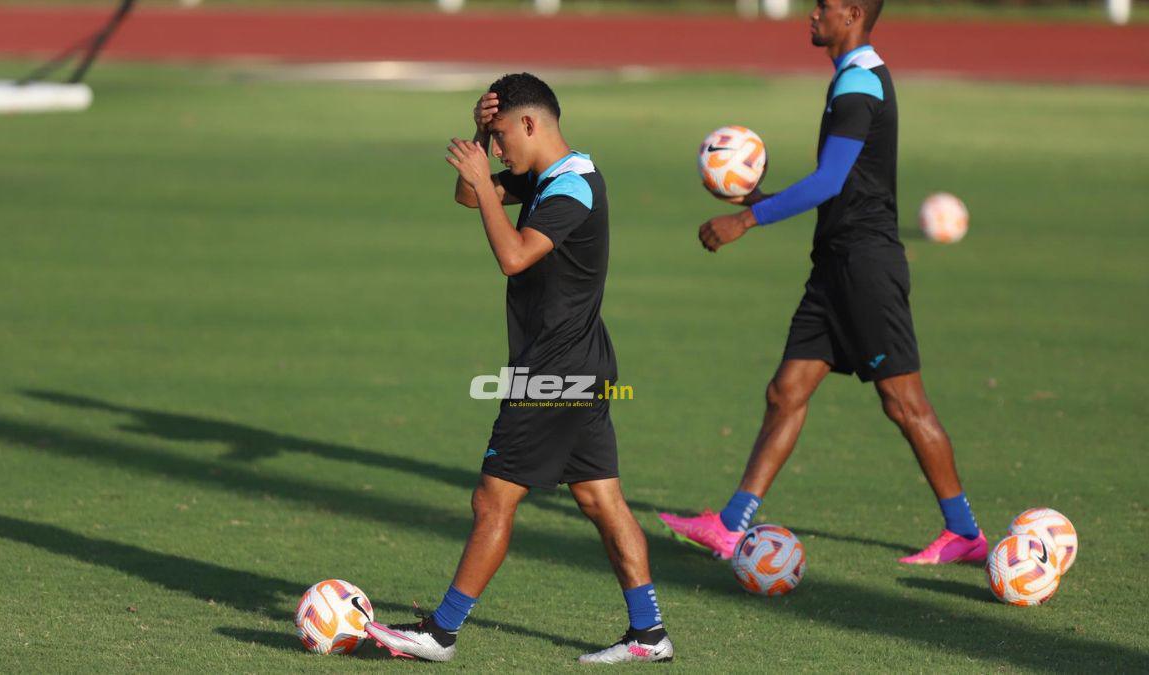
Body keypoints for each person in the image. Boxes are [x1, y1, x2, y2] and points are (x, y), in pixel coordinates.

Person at [659, 0, 987, 566]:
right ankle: (730, 525)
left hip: (866, 270)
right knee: (786, 393)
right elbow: (841, 183)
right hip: (835, 266)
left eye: (824, 6)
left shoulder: (859, 85)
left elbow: (831, 181)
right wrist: (763, 200)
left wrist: (745, 219)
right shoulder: (851, 78)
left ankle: (965, 534)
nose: (812, 14)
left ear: (853, 13)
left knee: (905, 404)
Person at [365, 73, 673, 664]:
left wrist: (485, 181)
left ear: (532, 124)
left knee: (492, 501)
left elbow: (513, 256)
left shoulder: (573, 189)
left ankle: (441, 632)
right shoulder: (545, 176)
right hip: (577, 363)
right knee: (600, 499)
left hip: (553, 372)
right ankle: (649, 634)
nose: (500, 149)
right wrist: (478, 140)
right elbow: (465, 196)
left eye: (504, 134)